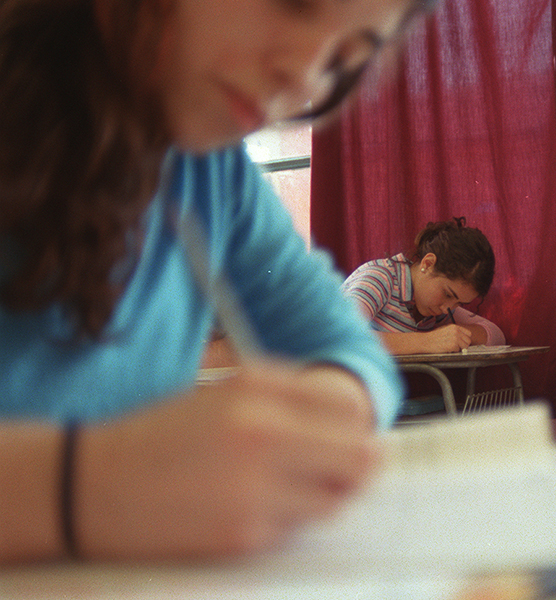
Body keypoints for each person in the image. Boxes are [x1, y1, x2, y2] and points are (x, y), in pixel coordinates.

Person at [0, 0, 439, 563]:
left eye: (345, 57)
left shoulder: (213, 171)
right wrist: (93, 489)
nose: (305, 77)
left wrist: (328, 407)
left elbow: (352, 351)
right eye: (293, 4)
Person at [342, 217, 506, 355]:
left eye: (459, 303)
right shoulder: (380, 278)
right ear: (428, 264)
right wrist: (427, 341)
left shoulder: (435, 308)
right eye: (448, 294)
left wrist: (455, 335)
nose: (446, 309)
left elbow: (496, 335)